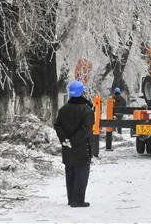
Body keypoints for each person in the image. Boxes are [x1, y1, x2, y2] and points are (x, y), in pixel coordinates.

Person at [54, 80, 94, 208]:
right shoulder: (87, 110)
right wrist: (73, 141)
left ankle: (71, 199)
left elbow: (57, 125)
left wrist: (65, 140)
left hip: (67, 148)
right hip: (81, 147)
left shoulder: (63, 109)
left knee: (70, 172)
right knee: (81, 174)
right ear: (82, 92)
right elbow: (85, 130)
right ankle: (78, 200)